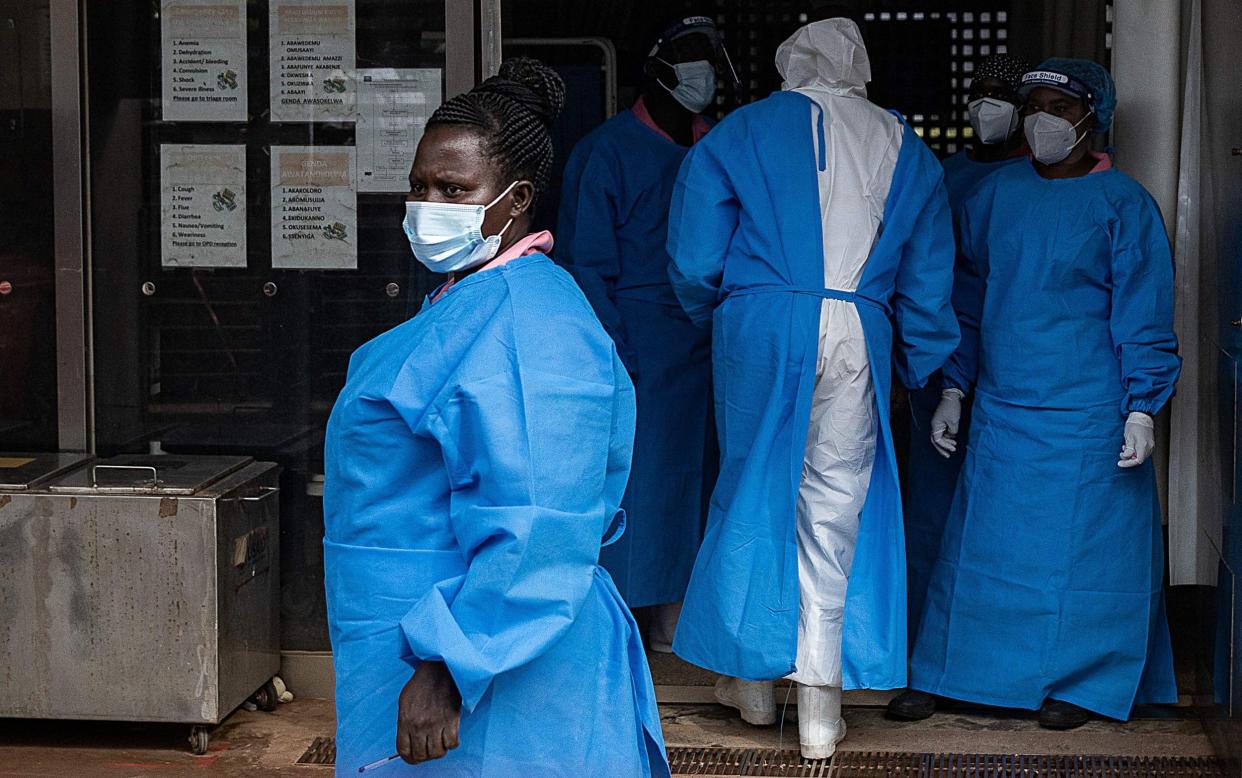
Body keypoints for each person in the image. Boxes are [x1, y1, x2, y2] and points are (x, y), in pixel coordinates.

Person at [323, 59, 670, 777]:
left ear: (515, 199)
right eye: (419, 186)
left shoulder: (527, 324)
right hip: (426, 638)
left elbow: (537, 518)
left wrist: (451, 664)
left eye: (453, 190)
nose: (427, 205)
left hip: (487, 662)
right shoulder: (469, 300)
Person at [666, 17, 959, 760]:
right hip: (860, 325)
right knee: (835, 509)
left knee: (754, 490)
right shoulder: (908, 147)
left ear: (790, 65)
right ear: (859, 67)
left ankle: (756, 689)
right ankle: (821, 710)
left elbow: (696, 258)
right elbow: (928, 279)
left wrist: (729, 315)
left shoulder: (738, 133)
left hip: (762, 322)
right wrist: (923, 361)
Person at [894, 58, 1181, 730]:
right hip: (1003, 407)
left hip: (1089, 413)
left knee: (1083, 554)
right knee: (982, 551)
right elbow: (966, 299)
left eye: (1058, 105)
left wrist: (1143, 406)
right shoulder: (995, 196)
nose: (1041, 118)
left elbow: (1145, 310)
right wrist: (954, 388)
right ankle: (954, 673)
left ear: (1092, 118)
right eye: (1034, 105)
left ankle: (1082, 682)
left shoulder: (1124, 206)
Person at [558, 14, 731, 649]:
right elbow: (586, 267)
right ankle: (625, 622)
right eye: (688, 56)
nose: (701, 71)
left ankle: (684, 617)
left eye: (710, 57)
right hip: (639, 347)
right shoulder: (606, 153)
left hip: (711, 341)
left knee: (706, 481)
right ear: (654, 67)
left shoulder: (719, 147)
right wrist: (615, 351)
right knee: (643, 481)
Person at [902, 52, 1031, 644]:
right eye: (979, 92)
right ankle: (929, 643)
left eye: (1001, 94)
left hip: (1017, 370)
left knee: (1005, 513)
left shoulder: (1044, 187)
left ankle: (990, 646)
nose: (987, 105)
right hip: (935, 361)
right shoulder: (939, 174)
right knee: (933, 508)